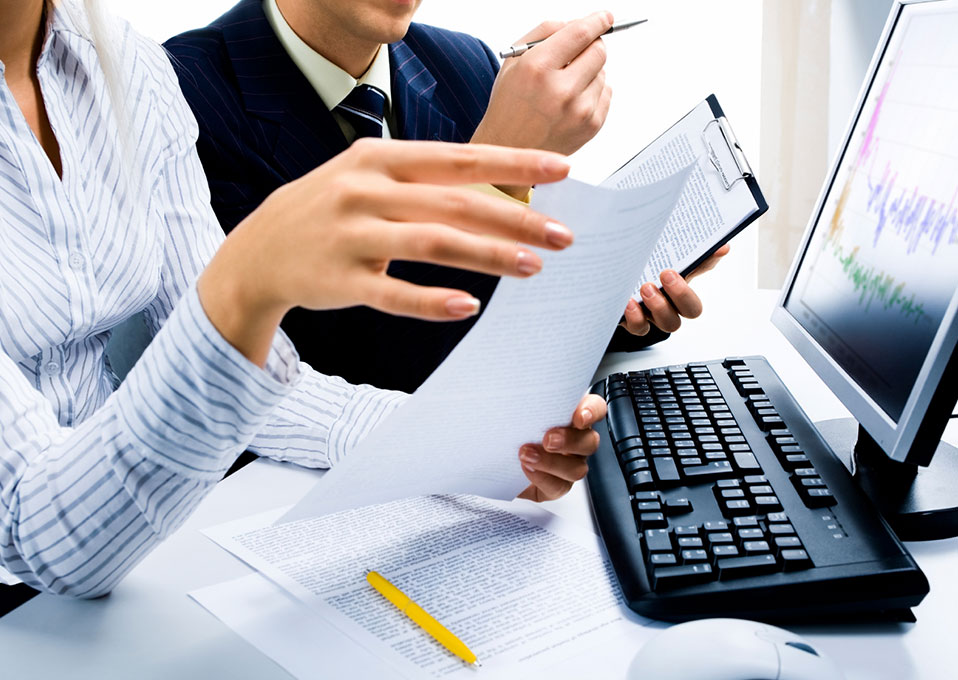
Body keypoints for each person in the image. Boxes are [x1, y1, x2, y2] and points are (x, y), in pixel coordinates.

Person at [0, 0, 606, 597]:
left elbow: (255, 380)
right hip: (59, 569)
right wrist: (244, 288)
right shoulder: (192, 75)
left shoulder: (123, 64)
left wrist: (464, 444)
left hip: (134, 552)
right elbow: (38, 536)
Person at [165, 1, 728, 394]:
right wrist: (496, 157)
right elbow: (331, 370)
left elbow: (507, 312)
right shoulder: (184, 90)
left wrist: (612, 310)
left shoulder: (466, 64)